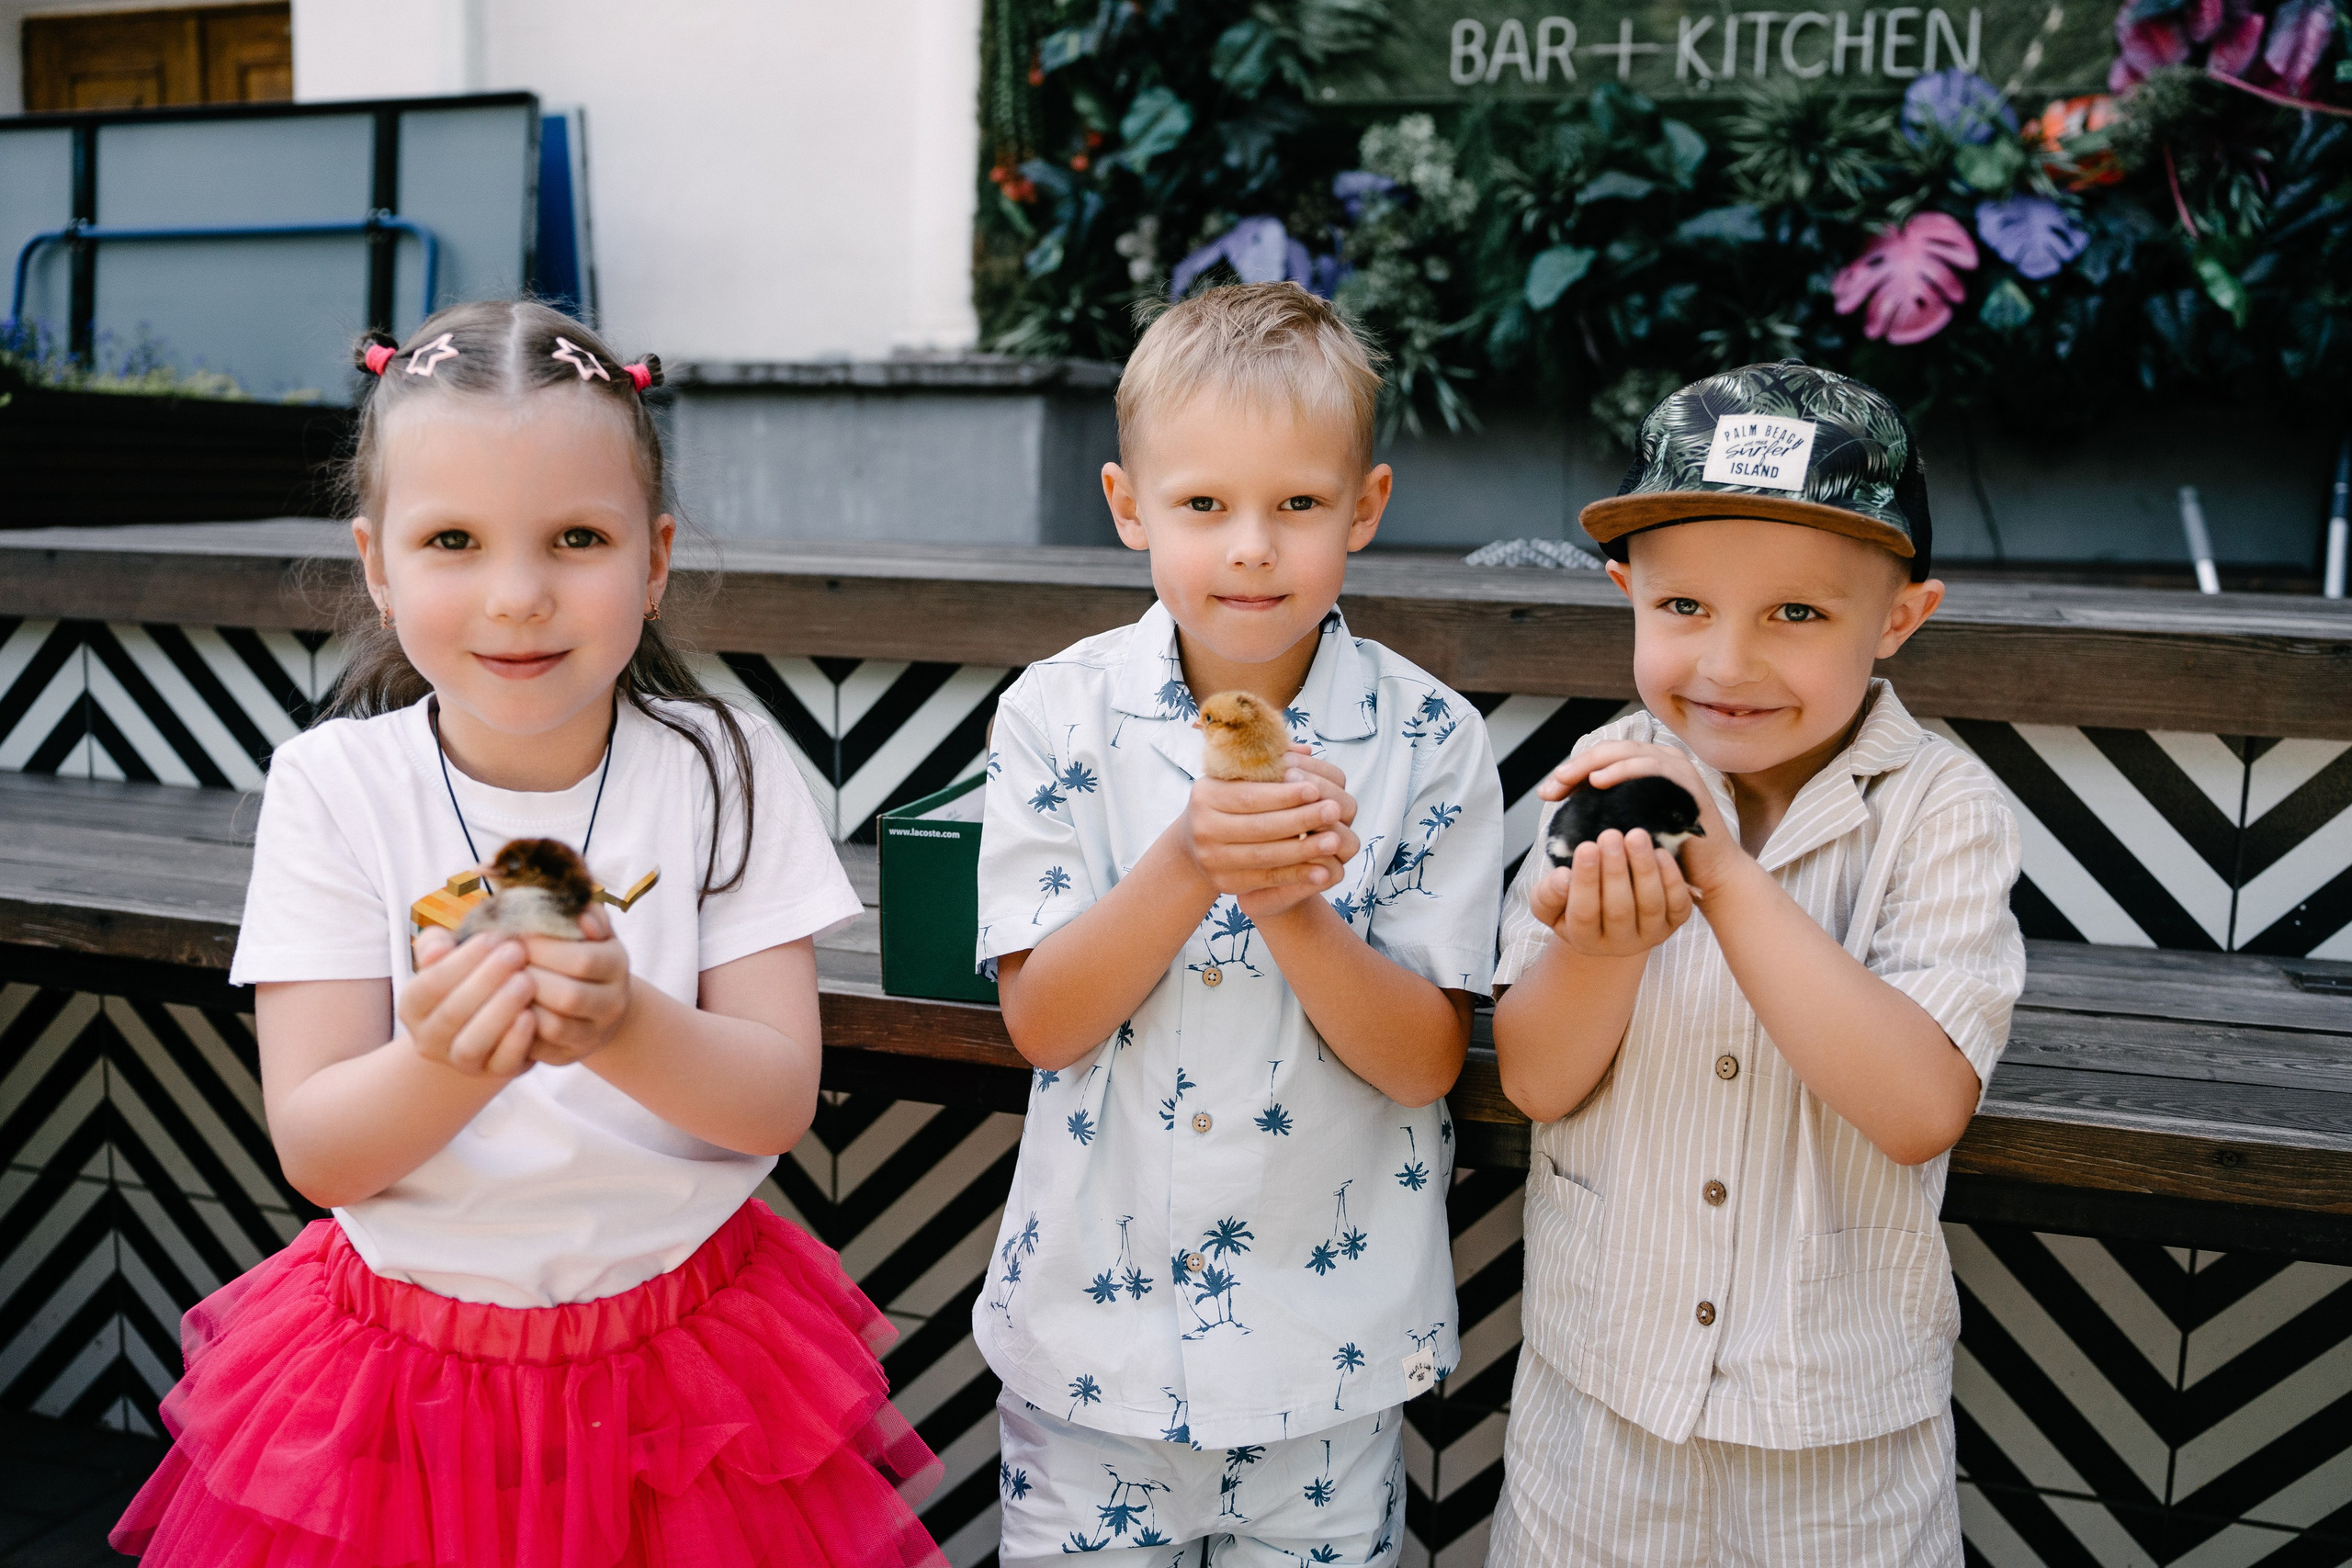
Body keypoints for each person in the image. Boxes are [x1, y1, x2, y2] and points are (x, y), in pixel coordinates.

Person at [112, 301, 944, 1568]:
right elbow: (322, 1150)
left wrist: (621, 1019)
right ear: (378, 565)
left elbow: (774, 1100)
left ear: (654, 557)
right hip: (402, 1379)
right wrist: (449, 1055)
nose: (518, 595)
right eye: (452, 539)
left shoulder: (726, 768)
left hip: (691, 1375)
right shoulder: (335, 786)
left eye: (577, 538)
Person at [972, 282, 1503, 1566]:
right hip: (1093, 1353)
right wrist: (1191, 857)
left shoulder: (1431, 740)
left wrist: (1293, 908)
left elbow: (1426, 1059)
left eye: (1299, 505)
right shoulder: (1059, 716)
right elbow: (1044, 1023)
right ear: (1128, 507)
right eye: (1205, 505)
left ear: (1365, 509)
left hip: (1327, 1356)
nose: (1251, 546)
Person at [1487, 361, 2026, 1565]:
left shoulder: (1942, 811)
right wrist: (1597, 952)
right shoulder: (1604, 778)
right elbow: (1536, 1077)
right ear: (1628, 593)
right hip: (1600, 1416)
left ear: (1897, 619)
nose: (1727, 665)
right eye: (1685, 609)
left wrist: (1723, 877)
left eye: (1796, 614)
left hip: (1838, 1445)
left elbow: (1919, 1106)